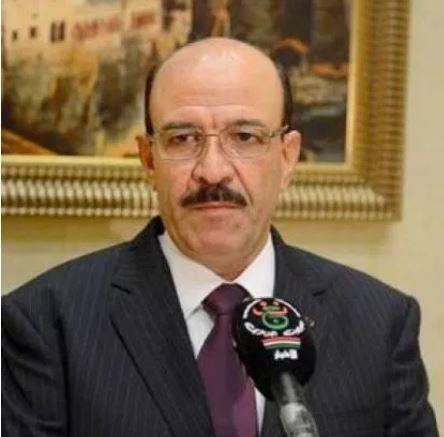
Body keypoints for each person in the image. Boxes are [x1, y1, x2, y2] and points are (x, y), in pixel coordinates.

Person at [2, 38, 438, 437]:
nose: (213, 171)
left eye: (245, 137)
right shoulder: (45, 324)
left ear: (287, 158)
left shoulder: (379, 323)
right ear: (149, 160)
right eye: (183, 138)